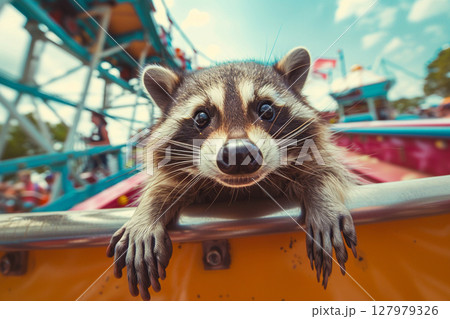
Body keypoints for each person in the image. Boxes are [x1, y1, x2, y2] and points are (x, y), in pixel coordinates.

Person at [85, 112, 111, 177]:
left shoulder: (102, 128)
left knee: (104, 172)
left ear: (97, 118)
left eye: (92, 117)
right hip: (98, 155)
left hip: (101, 155)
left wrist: (93, 143)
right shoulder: (97, 128)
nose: (91, 119)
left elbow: (107, 143)